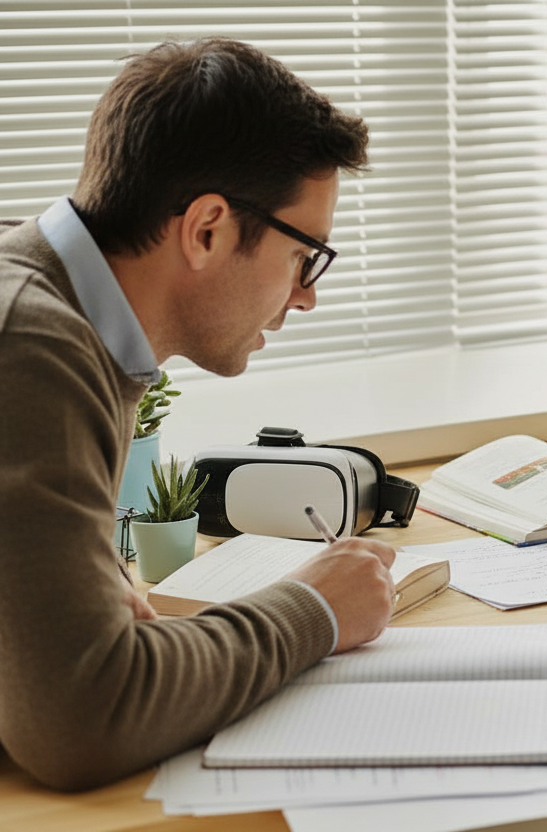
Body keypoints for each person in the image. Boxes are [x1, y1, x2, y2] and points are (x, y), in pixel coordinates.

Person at [0, 38, 398, 791]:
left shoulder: (49, 308)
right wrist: (314, 609)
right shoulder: (32, 344)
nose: (308, 294)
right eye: (305, 254)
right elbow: (80, 722)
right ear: (207, 228)